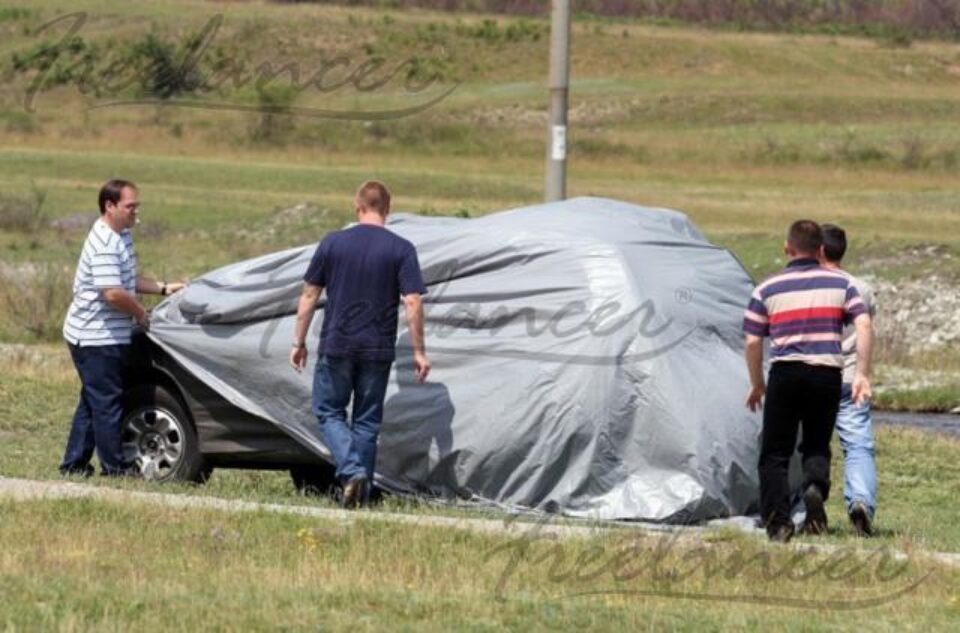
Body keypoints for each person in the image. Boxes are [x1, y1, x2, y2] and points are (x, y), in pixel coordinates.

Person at [290, 181, 430, 508]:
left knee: (328, 410)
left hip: (337, 345)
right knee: (366, 422)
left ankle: (352, 473)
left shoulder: (333, 243)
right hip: (377, 349)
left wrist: (298, 341)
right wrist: (420, 351)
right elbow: (413, 302)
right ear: (388, 209)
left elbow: (310, 295)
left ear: (357, 207)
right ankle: (360, 498)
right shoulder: (401, 248)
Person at [742, 220, 873, 543]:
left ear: (787, 248)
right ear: (820, 251)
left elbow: (752, 341)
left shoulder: (767, 289)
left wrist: (757, 382)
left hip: (786, 372)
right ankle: (815, 486)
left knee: (775, 452)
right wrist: (861, 375)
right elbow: (864, 324)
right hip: (827, 372)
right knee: (816, 443)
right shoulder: (841, 285)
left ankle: (779, 523)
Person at [60, 179, 185, 477]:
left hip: (105, 334)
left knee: (94, 400)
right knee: (107, 403)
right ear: (110, 206)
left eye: (136, 206)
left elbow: (127, 279)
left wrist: (164, 288)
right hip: (94, 337)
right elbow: (113, 293)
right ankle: (116, 468)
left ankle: (74, 464)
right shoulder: (104, 242)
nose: (135, 212)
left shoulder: (122, 235)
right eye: (130, 207)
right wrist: (141, 314)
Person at [819, 224, 877, 537]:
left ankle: (806, 501)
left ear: (819, 250)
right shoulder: (862, 288)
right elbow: (866, 328)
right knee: (858, 446)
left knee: (809, 444)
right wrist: (863, 375)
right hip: (851, 376)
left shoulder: (808, 285)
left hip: (815, 372)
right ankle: (861, 503)